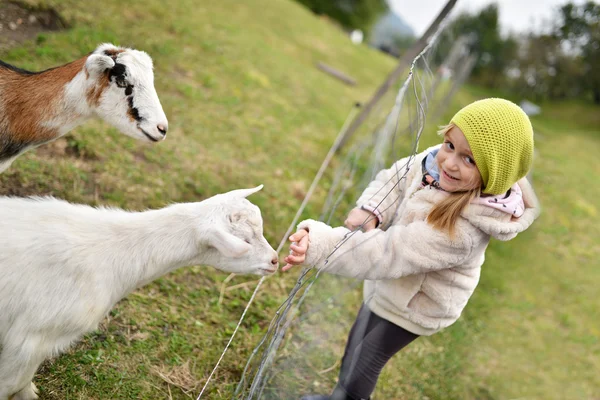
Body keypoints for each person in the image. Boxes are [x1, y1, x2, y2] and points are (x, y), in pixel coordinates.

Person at [282, 98, 541, 400]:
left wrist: (322, 245)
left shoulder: (462, 230)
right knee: (357, 341)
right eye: (449, 144)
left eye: (469, 160)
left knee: (366, 360)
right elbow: (397, 177)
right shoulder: (433, 163)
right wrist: (373, 208)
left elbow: (390, 251)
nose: (450, 162)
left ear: (493, 174)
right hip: (393, 285)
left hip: (416, 304)